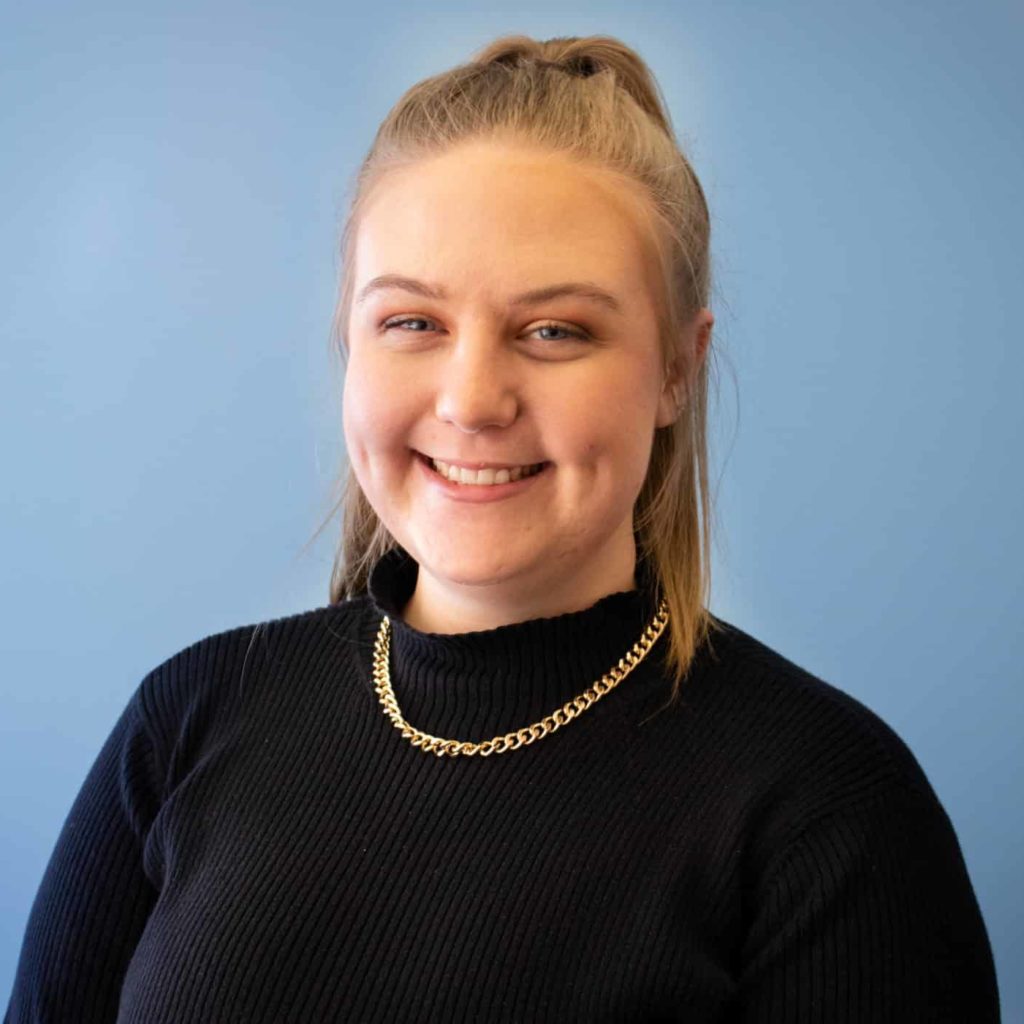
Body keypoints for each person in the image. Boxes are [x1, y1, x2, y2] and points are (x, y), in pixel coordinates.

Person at [5, 33, 1000, 1024]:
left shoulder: (827, 807)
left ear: (675, 370)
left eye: (554, 330)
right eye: (413, 323)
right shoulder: (187, 719)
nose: (472, 401)